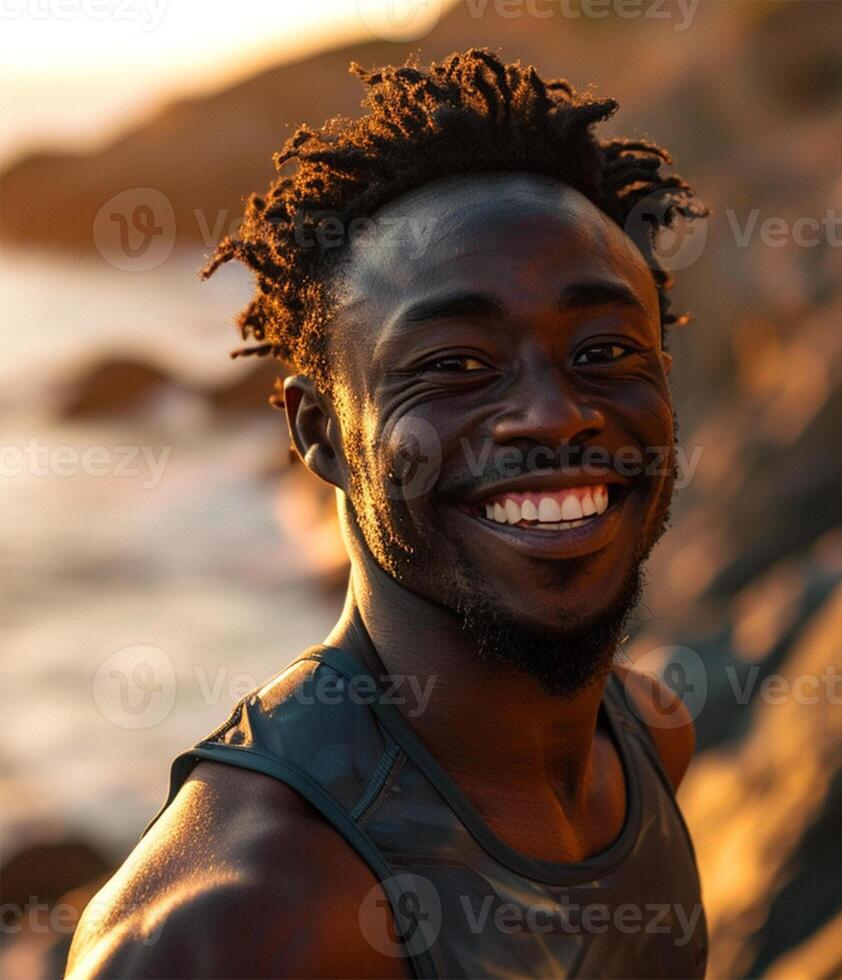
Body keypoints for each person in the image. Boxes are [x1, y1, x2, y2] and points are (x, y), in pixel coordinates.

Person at [67, 49, 707, 979]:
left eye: (605, 349)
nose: (556, 413)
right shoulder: (235, 929)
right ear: (321, 434)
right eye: (455, 364)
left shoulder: (647, 739)